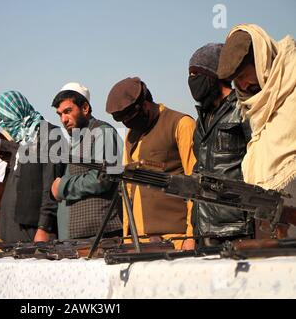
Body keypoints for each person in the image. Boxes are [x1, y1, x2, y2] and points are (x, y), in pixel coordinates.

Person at [217, 24, 296, 237]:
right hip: (274, 231)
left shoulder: (292, 90)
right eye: (236, 80)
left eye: (243, 74)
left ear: (261, 60)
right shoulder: (254, 107)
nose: (241, 85)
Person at [106, 77, 196, 250]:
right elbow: (129, 189)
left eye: (130, 117)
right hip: (138, 241)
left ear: (145, 105)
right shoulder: (131, 136)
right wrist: (127, 237)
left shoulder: (181, 124)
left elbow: (195, 186)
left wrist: (191, 237)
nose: (128, 124)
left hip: (175, 239)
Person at [188, 43, 253, 247]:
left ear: (213, 75)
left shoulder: (243, 109)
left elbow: (256, 165)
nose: (191, 81)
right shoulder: (201, 119)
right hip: (203, 229)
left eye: (195, 74)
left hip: (235, 228)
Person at [50, 82, 123, 240]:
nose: (63, 119)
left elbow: (103, 178)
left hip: (99, 235)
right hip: (76, 237)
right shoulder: (76, 139)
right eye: (60, 114)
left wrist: (62, 186)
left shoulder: (102, 132)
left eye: (68, 111)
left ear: (85, 108)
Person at [0, 91, 61, 242]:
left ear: (17, 111)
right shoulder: (22, 140)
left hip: (32, 229)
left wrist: (44, 228)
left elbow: (49, 185)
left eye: (5, 118)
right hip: (10, 227)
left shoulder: (49, 134)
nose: (4, 124)